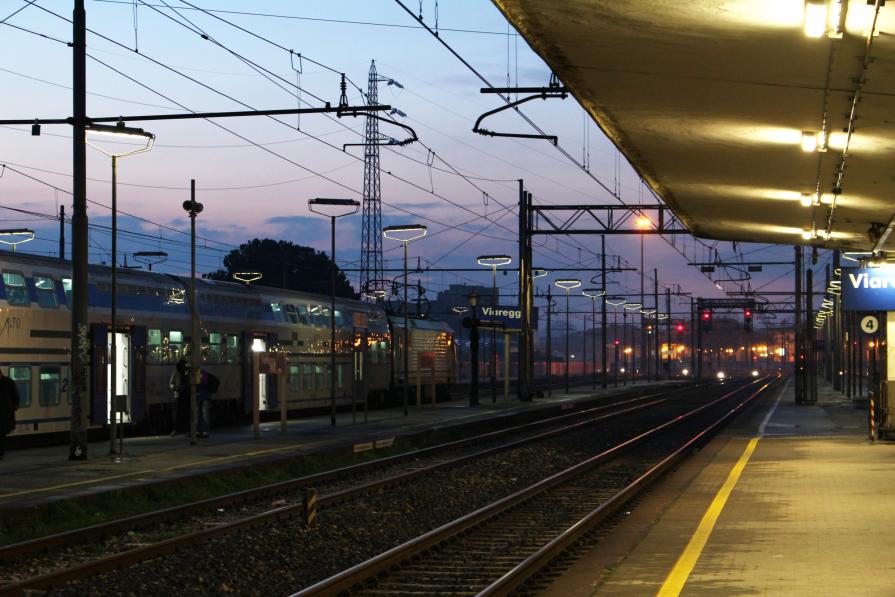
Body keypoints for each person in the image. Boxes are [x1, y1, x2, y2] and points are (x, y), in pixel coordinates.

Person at [1, 368, 21, 460]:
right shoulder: (9, 382)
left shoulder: (9, 382)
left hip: (5, 414)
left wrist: (12, 408)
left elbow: (15, 397)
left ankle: (0, 453)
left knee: (1, 434)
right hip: (5, 413)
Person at [168, 358, 189, 436]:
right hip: (180, 394)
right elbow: (171, 383)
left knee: (182, 412)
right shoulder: (176, 373)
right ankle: (177, 429)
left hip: (183, 394)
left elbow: (171, 383)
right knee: (179, 413)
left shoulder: (185, 372)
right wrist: (175, 388)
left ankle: (180, 430)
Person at [197, 369, 219, 439]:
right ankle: (202, 431)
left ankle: (203, 431)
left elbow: (202, 384)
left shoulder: (201, 374)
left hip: (202, 396)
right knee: (202, 414)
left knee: (202, 414)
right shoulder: (203, 374)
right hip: (203, 396)